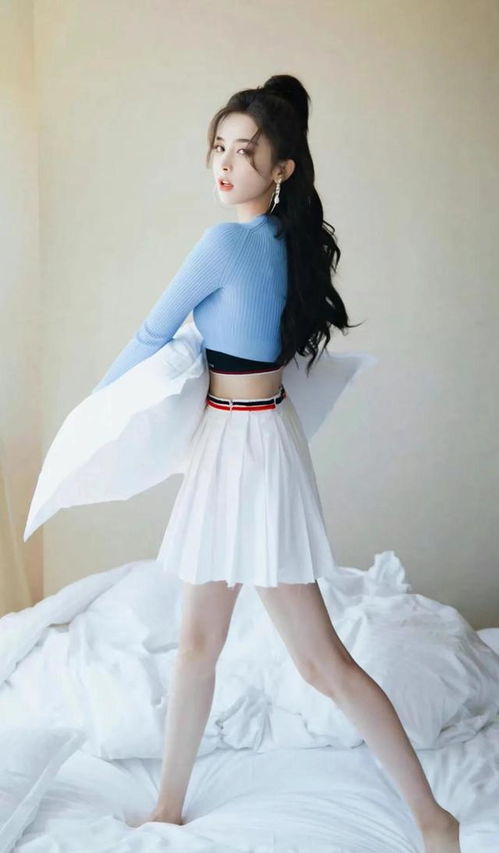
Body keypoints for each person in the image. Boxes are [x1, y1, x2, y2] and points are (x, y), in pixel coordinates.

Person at [95, 75, 460, 851]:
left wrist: (89, 418)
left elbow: (152, 333)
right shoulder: (284, 242)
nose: (225, 164)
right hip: (249, 440)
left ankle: (433, 819)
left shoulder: (226, 242)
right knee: (202, 645)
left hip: (246, 449)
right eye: (218, 148)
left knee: (318, 661)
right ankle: (167, 804)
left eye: (245, 151)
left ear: (281, 167)